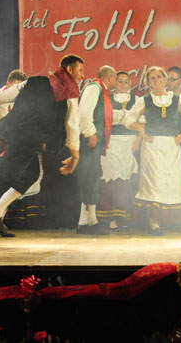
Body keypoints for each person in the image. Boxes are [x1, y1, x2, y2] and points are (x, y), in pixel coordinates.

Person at [0, 54, 84, 241]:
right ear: (69, 70)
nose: (83, 75)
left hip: (18, 132)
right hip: (29, 137)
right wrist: (75, 154)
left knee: (30, 175)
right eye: (80, 70)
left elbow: (14, 91)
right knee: (7, 175)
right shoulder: (70, 92)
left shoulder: (37, 80)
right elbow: (72, 124)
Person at [124, 66, 181, 235]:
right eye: (152, 78)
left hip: (171, 146)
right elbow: (129, 118)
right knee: (153, 182)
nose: (157, 80)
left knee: (169, 182)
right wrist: (142, 130)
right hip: (152, 146)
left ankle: (167, 221)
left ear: (165, 79)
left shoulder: (176, 99)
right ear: (148, 83)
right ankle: (154, 222)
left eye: (159, 77)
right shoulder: (145, 100)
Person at [97, 71, 141, 230]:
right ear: (115, 83)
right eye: (120, 81)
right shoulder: (107, 99)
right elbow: (103, 120)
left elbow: (141, 122)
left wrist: (137, 141)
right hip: (112, 142)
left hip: (130, 142)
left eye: (126, 81)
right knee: (110, 177)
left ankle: (124, 218)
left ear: (130, 84)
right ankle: (108, 218)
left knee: (127, 178)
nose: (123, 84)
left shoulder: (137, 100)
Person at [76, 65, 116, 235]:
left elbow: (104, 116)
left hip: (92, 141)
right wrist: (90, 133)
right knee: (90, 178)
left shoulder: (100, 90)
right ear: (110, 78)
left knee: (90, 178)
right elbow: (84, 113)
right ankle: (92, 222)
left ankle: (83, 222)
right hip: (88, 140)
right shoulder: (95, 87)